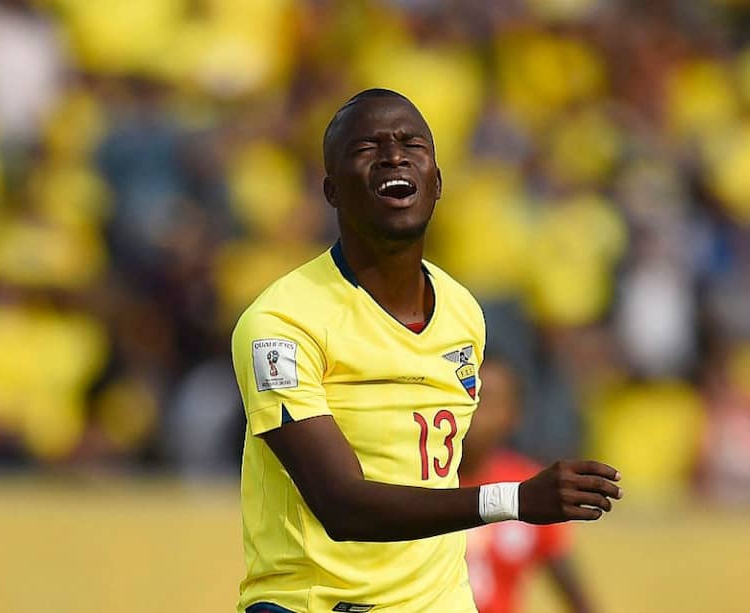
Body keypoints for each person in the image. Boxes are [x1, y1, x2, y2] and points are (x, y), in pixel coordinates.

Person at [230, 88, 622, 613]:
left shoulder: (463, 313)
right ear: (331, 190)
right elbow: (340, 504)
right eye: (367, 146)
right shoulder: (280, 322)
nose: (393, 155)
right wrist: (515, 500)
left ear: (436, 183)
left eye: (411, 143)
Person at [461, 356, 594, 613]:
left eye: (487, 400)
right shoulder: (415, 481)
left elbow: (574, 593)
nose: (474, 410)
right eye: (466, 397)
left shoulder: (531, 486)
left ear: (513, 415)